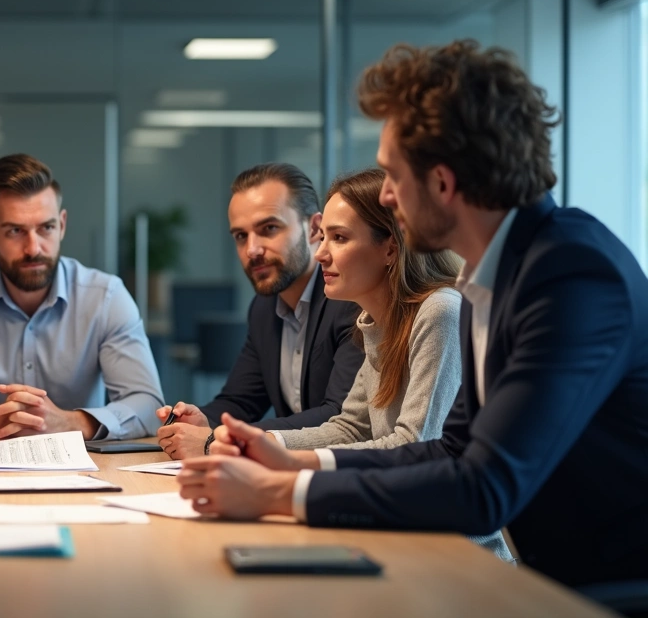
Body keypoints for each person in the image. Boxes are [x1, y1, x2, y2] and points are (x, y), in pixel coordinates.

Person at [178, 40, 648, 588]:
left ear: (443, 183)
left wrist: (281, 491)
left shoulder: (570, 275)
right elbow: (451, 450)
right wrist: (296, 463)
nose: (389, 200)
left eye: (393, 178)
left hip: (601, 591)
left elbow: (482, 488)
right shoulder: (496, 275)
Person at [0, 153, 165, 442]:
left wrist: (67, 422)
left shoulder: (106, 296)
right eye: (15, 231)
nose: (33, 247)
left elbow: (148, 405)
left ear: (62, 225)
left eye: (46, 228)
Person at [155, 163, 364, 458]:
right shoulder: (264, 308)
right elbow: (239, 401)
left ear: (315, 228)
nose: (252, 249)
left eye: (269, 229)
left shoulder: (351, 300)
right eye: (241, 236)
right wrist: (201, 420)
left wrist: (219, 438)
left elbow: (339, 417)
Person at [267, 168, 462, 452]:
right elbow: (352, 429)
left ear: (391, 250)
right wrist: (266, 443)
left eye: (339, 238)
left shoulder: (440, 312)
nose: (320, 253)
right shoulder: (375, 322)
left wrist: (297, 460)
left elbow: (415, 445)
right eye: (322, 237)